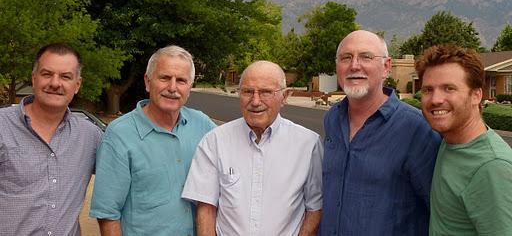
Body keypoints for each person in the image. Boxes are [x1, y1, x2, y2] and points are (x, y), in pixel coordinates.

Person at [320, 30, 441, 236]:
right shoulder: (333, 118)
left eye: (366, 57)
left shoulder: (418, 129)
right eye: (346, 58)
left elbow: (439, 212)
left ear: (386, 67)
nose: (354, 65)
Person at [182, 60, 323, 236]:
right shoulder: (215, 141)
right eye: (248, 92)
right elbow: (206, 209)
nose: (255, 101)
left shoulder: (308, 144)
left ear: (285, 96)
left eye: (265, 92)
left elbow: (315, 208)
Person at [89, 45, 216, 236]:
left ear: (189, 88)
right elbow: (107, 214)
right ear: (148, 82)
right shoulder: (120, 134)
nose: (172, 88)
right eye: (164, 78)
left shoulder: (203, 125)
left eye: (181, 80)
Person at [0, 43, 102, 236]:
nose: (55, 83)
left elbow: (128, 174)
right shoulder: (2, 126)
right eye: (47, 74)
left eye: (65, 76)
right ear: (34, 78)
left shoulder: (91, 137)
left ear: (77, 85)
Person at [415, 44, 512, 235]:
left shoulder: (492, 168)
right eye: (428, 90)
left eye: (449, 88)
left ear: (476, 95)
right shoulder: (450, 140)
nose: (435, 99)